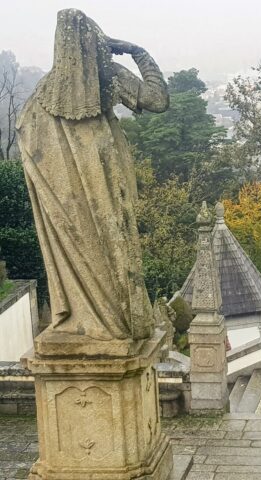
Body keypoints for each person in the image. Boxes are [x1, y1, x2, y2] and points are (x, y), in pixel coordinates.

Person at [17, 9, 169, 341]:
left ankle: (87, 313)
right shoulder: (106, 75)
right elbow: (157, 100)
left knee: (80, 245)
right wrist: (139, 52)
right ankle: (121, 318)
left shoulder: (41, 96)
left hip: (66, 201)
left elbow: (26, 141)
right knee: (115, 244)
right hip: (107, 181)